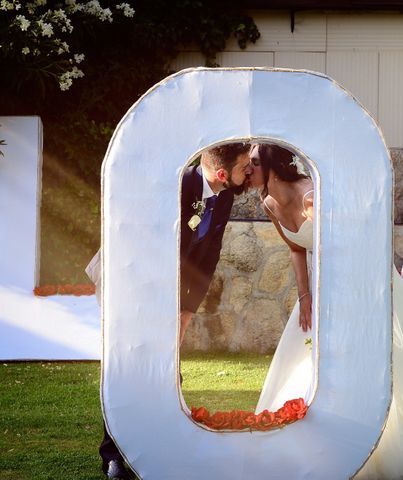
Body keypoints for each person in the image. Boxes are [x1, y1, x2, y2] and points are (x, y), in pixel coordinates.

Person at [246, 143, 403, 479]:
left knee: (368, 355)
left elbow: (356, 240)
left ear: (272, 166)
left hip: (359, 278)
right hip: (320, 286)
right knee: (307, 355)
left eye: (253, 163)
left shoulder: (311, 196)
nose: (247, 170)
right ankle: (314, 433)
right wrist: (305, 296)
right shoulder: (268, 202)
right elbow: (295, 248)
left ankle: (382, 434)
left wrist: (354, 296)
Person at [89, 142, 253, 480]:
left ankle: (152, 445)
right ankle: (114, 457)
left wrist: (186, 312)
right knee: (129, 366)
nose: (249, 171)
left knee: (165, 369)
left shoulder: (224, 197)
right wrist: (156, 306)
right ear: (223, 173)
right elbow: (140, 240)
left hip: (170, 288)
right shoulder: (176, 183)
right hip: (128, 279)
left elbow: (208, 258)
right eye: (244, 166)